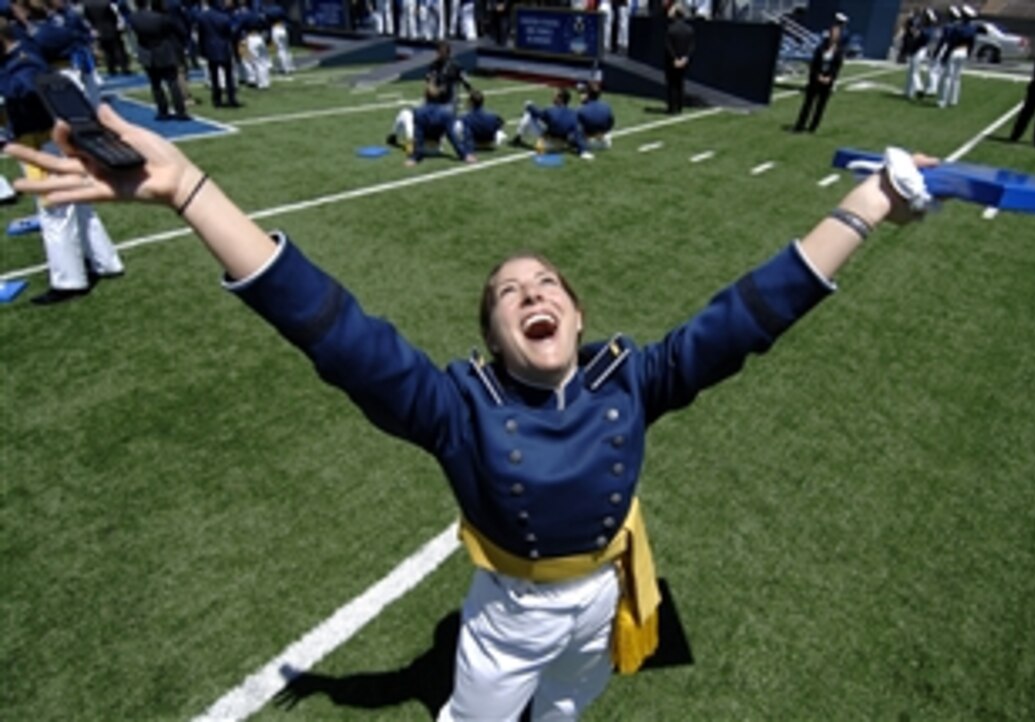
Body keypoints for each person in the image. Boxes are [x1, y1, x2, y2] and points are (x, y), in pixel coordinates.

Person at [7, 97, 938, 721]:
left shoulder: (631, 379)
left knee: (570, 711)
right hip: (508, 620)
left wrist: (866, 201)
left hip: (605, 599)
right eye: (507, 291)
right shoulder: (455, 406)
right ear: (495, 334)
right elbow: (330, 325)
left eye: (547, 283)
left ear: (574, 312)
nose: (531, 291)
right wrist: (192, 192)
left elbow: (752, 312)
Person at [0, 17, 125, 305]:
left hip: (39, 141)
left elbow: (24, 88)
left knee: (54, 211)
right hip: (46, 138)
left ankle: (69, 280)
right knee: (79, 203)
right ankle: (105, 261)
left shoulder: (22, 63)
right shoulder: (25, 51)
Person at [388, 82, 477, 166]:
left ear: (425, 96)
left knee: (405, 113)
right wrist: (465, 155)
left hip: (423, 149)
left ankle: (393, 137)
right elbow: (452, 136)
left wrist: (414, 158)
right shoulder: (446, 112)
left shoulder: (419, 112)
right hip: (437, 148)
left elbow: (419, 136)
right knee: (455, 124)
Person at [129, 0, 190, 120]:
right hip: (163, 51)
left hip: (146, 52)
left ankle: (163, 111)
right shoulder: (161, 18)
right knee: (172, 83)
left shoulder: (134, 18)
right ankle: (180, 111)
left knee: (155, 84)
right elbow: (176, 31)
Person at [792, 13, 846, 133]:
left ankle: (813, 127)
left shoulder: (839, 51)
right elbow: (814, 63)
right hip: (815, 79)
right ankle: (799, 126)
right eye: (832, 33)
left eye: (836, 34)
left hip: (827, 82)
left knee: (820, 106)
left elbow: (837, 66)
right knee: (808, 104)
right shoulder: (821, 47)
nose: (833, 36)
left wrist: (830, 78)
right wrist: (818, 75)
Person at [513, 86, 592, 159]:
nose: (553, 97)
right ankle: (518, 139)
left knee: (528, 115)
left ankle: (517, 139)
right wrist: (582, 151)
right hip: (563, 145)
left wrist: (529, 105)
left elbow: (536, 113)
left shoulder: (551, 111)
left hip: (547, 144)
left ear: (560, 99)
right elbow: (577, 133)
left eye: (555, 95)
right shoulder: (573, 113)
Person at [194, 0, 239, 107]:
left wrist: (201, 49)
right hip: (223, 47)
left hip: (209, 47)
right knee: (228, 75)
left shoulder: (202, 17)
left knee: (214, 76)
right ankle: (231, 98)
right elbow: (231, 32)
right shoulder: (224, 17)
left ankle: (216, 99)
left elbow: (200, 34)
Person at [936, 4, 976, 109]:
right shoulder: (972, 28)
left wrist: (945, 56)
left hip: (954, 51)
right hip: (964, 52)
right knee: (957, 77)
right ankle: (953, 100)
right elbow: (972, 43)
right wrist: (969, 53)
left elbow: (951, 43)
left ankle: (942, 100)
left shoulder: (957, 28)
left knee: (948, 77)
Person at [82, 0, 132, 75]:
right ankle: (124, 68)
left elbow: (88, 18)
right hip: (112, 28)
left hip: (98, 30)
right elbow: (114, 16)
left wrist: (94, 28)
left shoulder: (87, 4)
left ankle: (111, 69)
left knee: (107, 51)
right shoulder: (107, 3)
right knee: (118, 49)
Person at [663, 2, 693, 114]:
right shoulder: (689, 29)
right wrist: (685, 58)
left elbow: (668, 46)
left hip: (672, 61)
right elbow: (691, 46)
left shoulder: (671, 29)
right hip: (683, 60)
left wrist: (674, 58)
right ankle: (680, 106)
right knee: (680, 83)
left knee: (671, 84)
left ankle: (672, 107)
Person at [454, 88, 505, 153]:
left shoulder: (465, 117)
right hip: (489, 144)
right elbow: (501, 123)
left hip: (475, 144)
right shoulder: (493, 116)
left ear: (471, 103)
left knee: (458, 125)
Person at [426, 39, 471, 112]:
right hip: (436, 101)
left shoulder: (456, 66)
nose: (440, 54)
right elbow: (429, 82)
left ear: (448, 53)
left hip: (450, 101)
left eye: (442, 52)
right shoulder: (433, 66)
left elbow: (466, 82)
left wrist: (471, 94)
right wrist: (436, 91)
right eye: (439, 51)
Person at [576, 80, 614, 151]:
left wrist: (582, 104)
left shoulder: (581, 109)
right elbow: (611, 124)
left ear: (588, 94)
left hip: (589, 143)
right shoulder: (607, 106)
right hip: (605, 142)